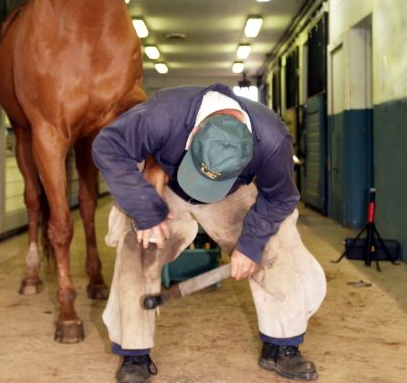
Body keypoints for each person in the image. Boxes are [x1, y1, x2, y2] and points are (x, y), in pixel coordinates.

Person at [92, 84, 326, 382]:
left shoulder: (271, 139)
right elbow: (108, 146)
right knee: (138, 246)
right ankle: (134, 353)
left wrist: (251, 245)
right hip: (170, 184)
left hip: (231, 191)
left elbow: (280, 198)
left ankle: (282, 346)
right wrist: (145, 211)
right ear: (194, 133)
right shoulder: (163, 114)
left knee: (277, 243)